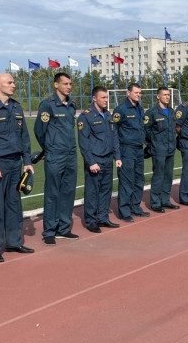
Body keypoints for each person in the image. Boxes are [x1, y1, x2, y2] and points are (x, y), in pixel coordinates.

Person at [0, 73, 35, 262]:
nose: (13, 85)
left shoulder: (16, 107)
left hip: (15, 163)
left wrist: (27, 161)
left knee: (14, 205)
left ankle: (13, 242)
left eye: (13, 82)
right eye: (9, 82)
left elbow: (24, 137)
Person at [34, 72, 79, 245]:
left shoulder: (72, 105)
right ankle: (49, 231)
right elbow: (39, 130)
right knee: (52, 193)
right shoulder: (48, 105)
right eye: (65, 84)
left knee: (68, 192)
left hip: (70, 154)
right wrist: (49, 149)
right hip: (55, 155)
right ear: (56, 85)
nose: (69, 86)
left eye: (70, 84)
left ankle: (63, 228)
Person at [77, 86, 122, 233]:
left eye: (107, 97)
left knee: (105, 190)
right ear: (94, 98)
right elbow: (83, 142)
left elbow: (114, 137)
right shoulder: (86, 116)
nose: (106, 100)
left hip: (108, 158)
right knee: (92, 191)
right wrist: (91, 162)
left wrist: (117, 157)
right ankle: (91, 220)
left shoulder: (108, 115)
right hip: (95, 159)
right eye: (103, 97)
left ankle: (103, 218)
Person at [113, 82, 149, 222]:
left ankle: (135, 207)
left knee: (139, 180)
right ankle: (124, 211)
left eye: (140, 93)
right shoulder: (121, 109)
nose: (138, 95)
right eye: (136, 93)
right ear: (128, 93)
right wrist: (117, 154)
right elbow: (114, 132)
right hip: (126, 149)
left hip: (138, 149)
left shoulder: (139, 108)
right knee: (126, 181)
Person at [145, 86, 180, 212]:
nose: (167, 97)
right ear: (158, 96)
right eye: (164, 94)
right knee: (158, 176)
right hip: (158, 149)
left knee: (168, 176)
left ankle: (165, 200)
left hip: (170, 149)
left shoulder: (171, 111)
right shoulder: (152, 112)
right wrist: (153, 143)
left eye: (168, 95)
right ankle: (155, 203)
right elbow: (146, 130)